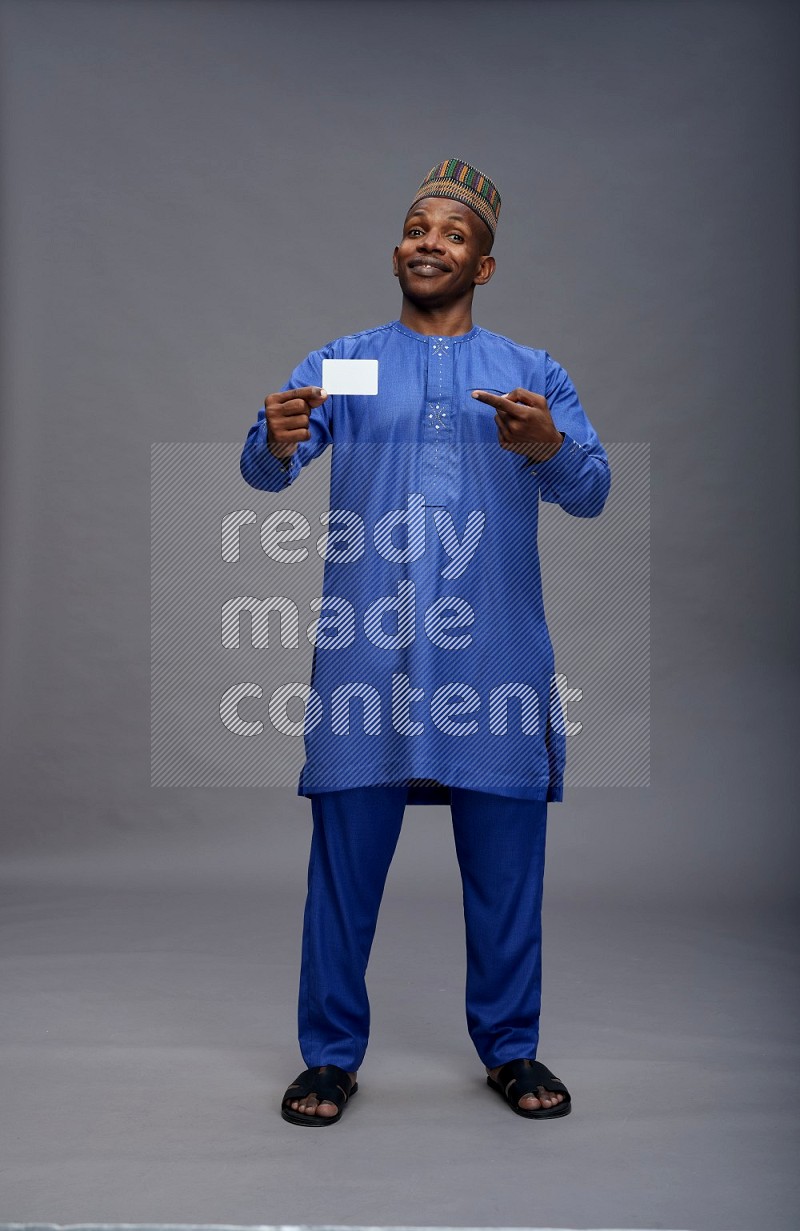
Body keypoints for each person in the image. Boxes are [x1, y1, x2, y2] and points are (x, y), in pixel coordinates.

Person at [240, 158, 611, 1125]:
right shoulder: (354, 360)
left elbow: (593, 489)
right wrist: (278, 437)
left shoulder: (530, 373)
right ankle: (328, 1056)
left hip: (493, 656)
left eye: (451, 233)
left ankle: (511, 1048)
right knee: (344, 864)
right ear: (397, 249)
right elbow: (270, 466)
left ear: (484, 265)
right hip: (370, 655)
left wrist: (548, 448)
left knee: (506, 866)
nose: (428, 242)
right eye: (415, 227)